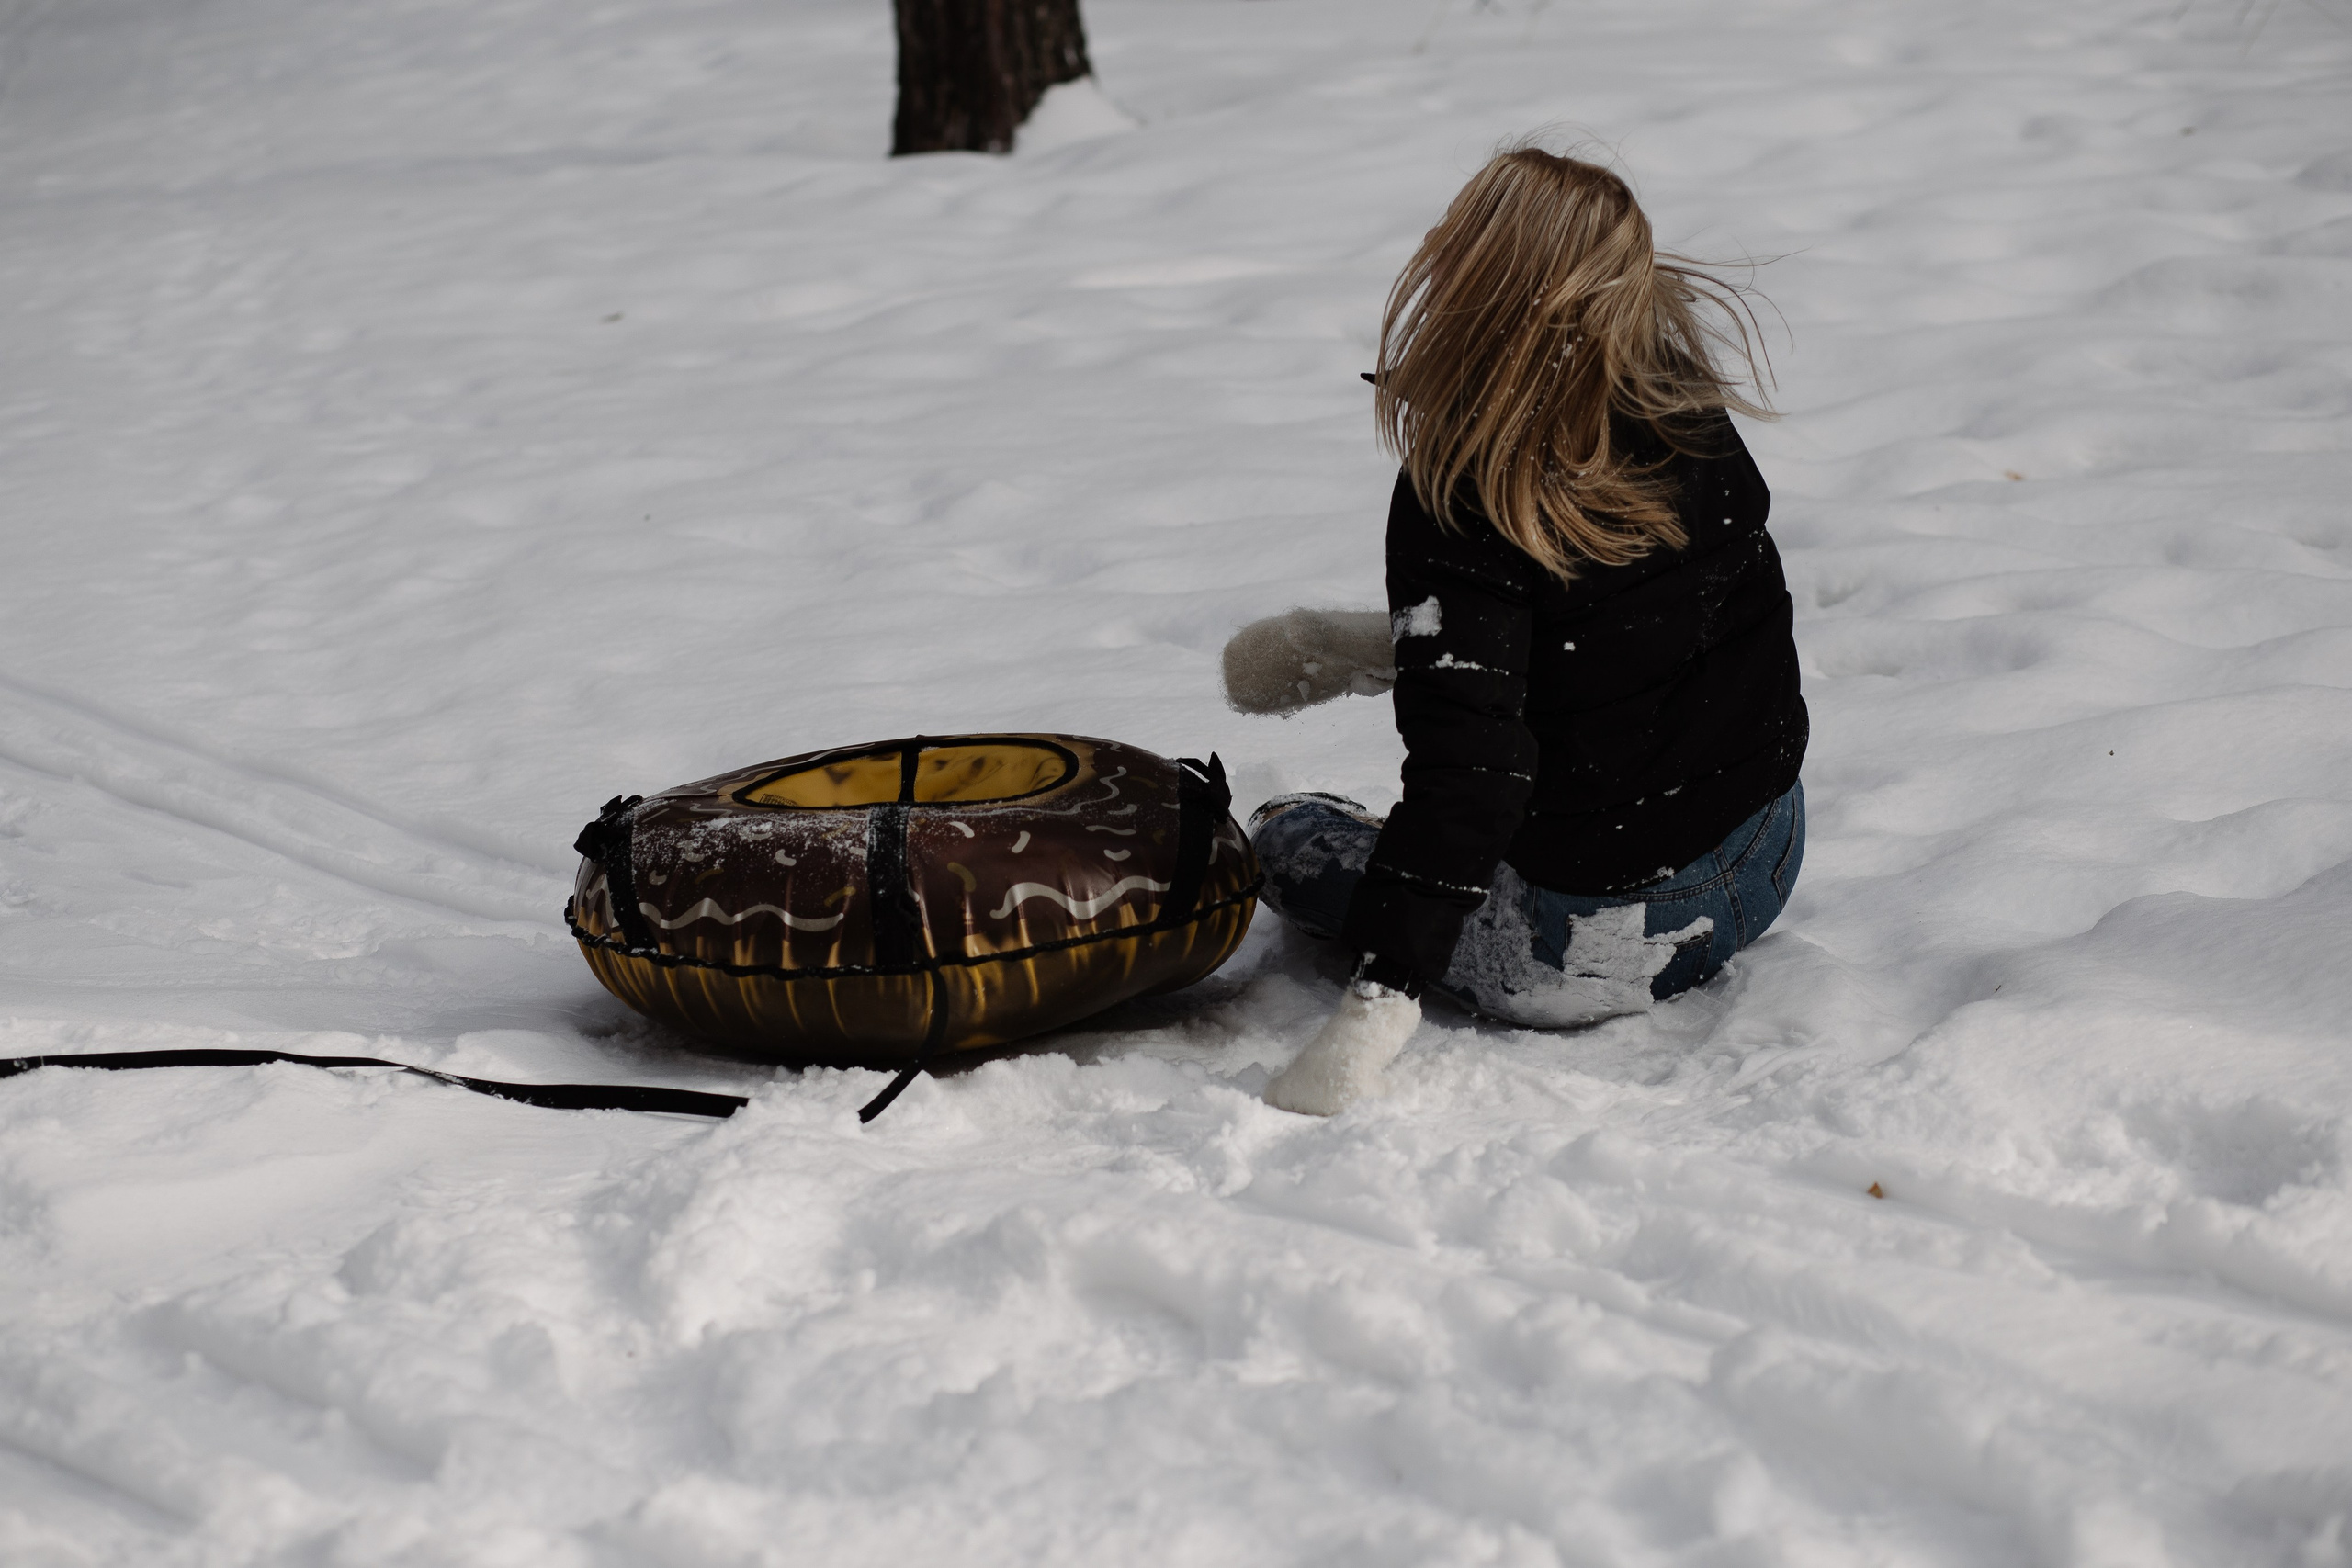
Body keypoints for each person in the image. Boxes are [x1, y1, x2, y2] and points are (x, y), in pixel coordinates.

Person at [1255, 145, 1808, 1116]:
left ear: (1477, 277)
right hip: (1761, 856)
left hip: (1586, 941)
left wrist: (1379, 999)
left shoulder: (1464, 491)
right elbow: (1611, 640)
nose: (1431, 243)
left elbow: (1475, 770)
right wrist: (1358, 647)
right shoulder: (1683, 409)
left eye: (1454, 233)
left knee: (1287, 835)